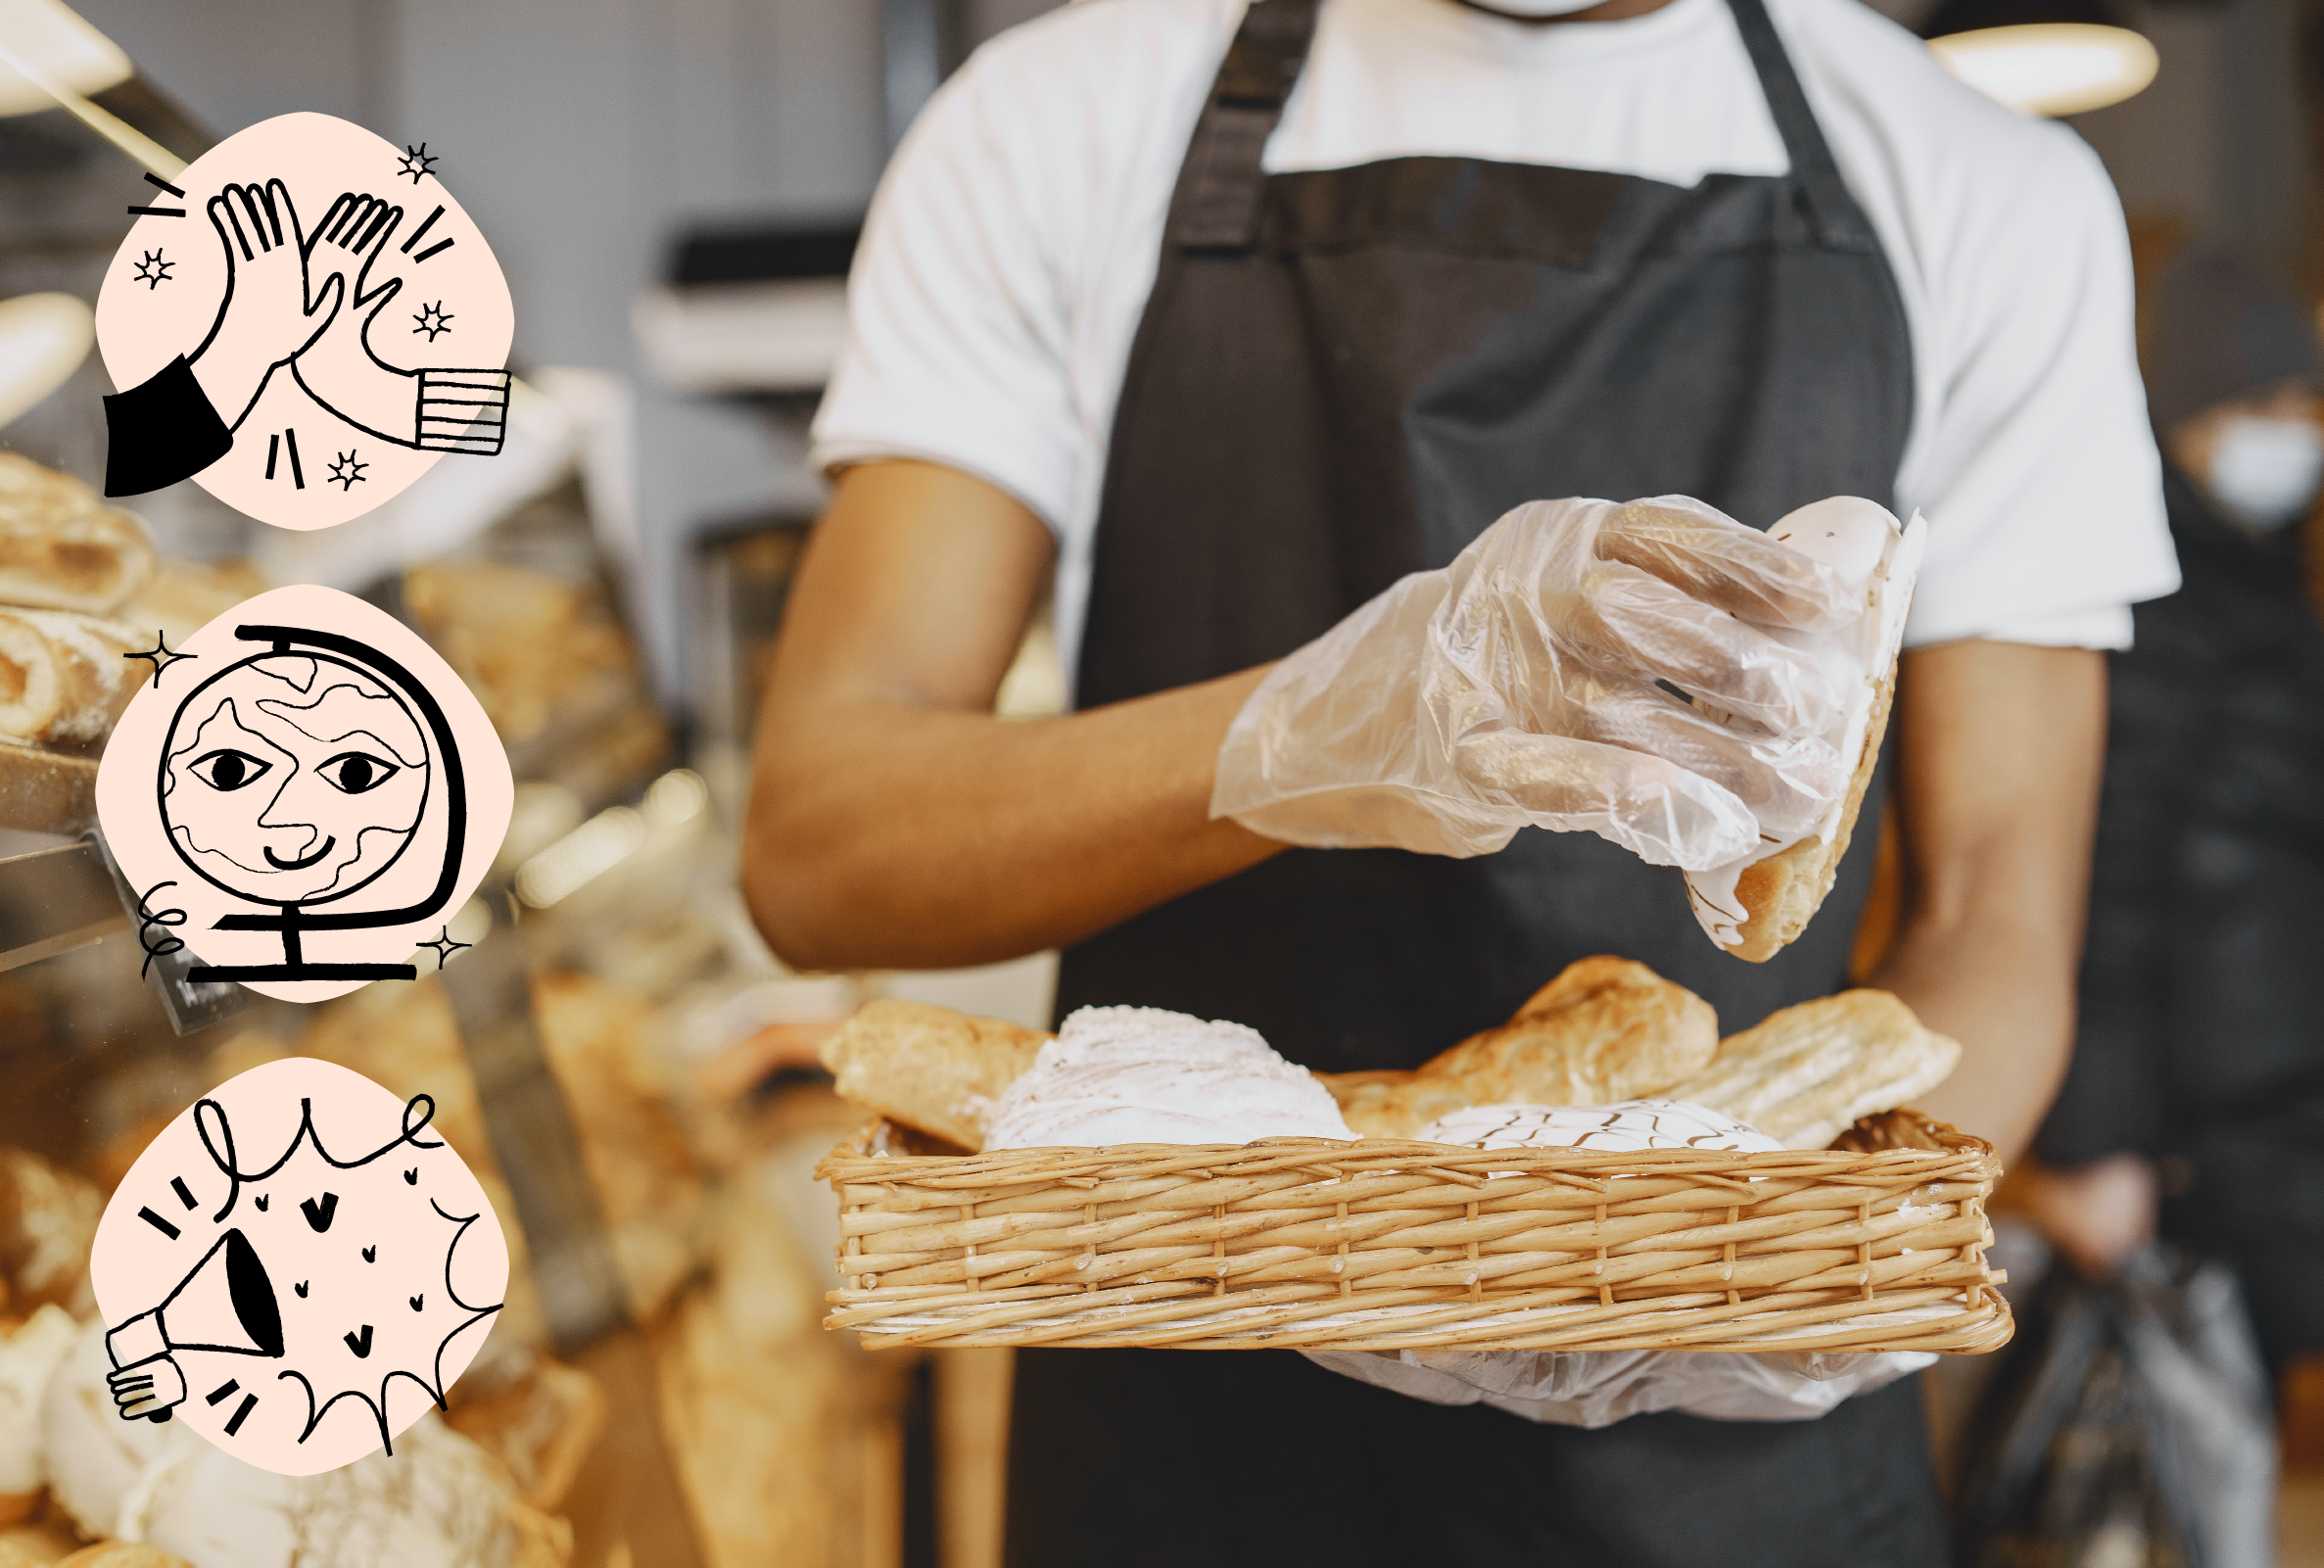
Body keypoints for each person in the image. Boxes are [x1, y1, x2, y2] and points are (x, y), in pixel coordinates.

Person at [742, 0, 2178, 1560]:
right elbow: (820, 844)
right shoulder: (1063, 123)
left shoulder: (1979, 189)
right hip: (1197, 1423)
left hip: (1737, 1465)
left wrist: (1798, 1292)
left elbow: (1997, 923)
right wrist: (1307, 730)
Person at [2029, 247, 2324, 1380]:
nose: (2291, 431)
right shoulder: (2151, 599)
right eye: (2257, 404)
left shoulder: (2257, 582)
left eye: (2305, 402)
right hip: (2195, 1138)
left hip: (2267, 1103)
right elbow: (2103, 878)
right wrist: (2096, 1141)